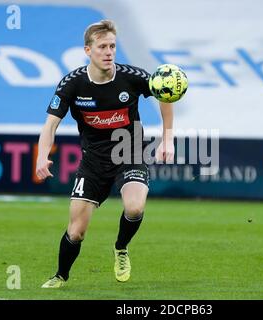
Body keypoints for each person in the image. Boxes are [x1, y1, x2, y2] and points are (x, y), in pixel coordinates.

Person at [36, 20, 174, 288]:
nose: (109, 51)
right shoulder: (72, 84)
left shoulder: (132, 76)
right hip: (94, 161)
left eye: (112, 46)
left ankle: (121, 248)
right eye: (102, 47)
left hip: (129, 153)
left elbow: (164, 94)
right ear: (88, 50)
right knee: (76, 232)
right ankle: (61, 275)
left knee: (135, 207)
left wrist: (167, 138)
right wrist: (42, 156)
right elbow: (50, 125)